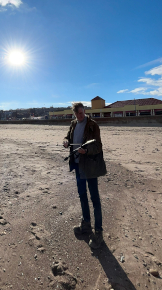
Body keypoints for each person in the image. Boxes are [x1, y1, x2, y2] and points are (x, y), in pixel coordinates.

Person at [62, 102, 104, 248]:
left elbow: (98, 146)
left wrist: (86, 151)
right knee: (82, 196)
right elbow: (67, 137)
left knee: (95, 199)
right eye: (76, 114)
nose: (79, 116)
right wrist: (66, 141)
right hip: (78, 166)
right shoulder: (73, 123)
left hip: (90, 167)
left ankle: (98, 233)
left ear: (84, 111)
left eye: (81, 113)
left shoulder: (93, 125)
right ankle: (86, 224)